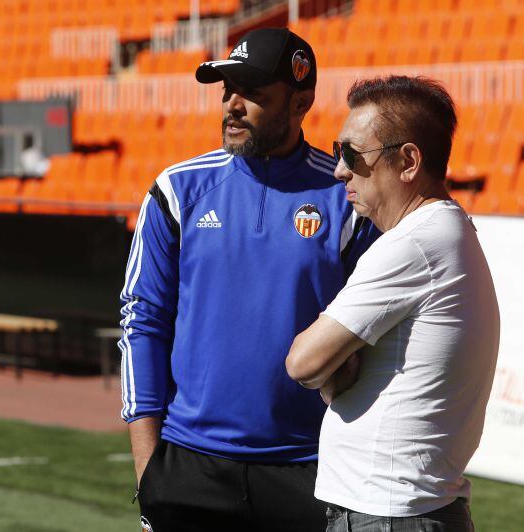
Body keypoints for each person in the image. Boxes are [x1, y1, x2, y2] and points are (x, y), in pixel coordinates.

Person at [119, 28, 379, 531]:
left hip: (312, 468)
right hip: (188, 465)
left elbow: (375, 336)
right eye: (227, 91)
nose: (232, 106)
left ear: (301, 102)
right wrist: (150, 470)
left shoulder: (347, 197)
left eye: (253, 93)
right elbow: (141, 323)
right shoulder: (177, 190)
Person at [285, 76, 500, 531]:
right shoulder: (443, 232)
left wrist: (333, 367)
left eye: (352, 154)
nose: (339, 170)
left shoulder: (414, 242)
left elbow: (303, 362)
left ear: (408, 161)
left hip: (387, 514)